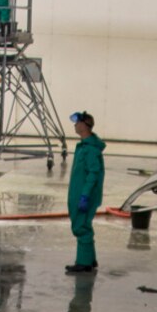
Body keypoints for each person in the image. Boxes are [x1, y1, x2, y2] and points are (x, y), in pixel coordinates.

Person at [65, 111, 105, 274]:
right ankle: (89, 259)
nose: (75, 125)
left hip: (84, 194)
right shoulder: (84, 146)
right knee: (83, 225)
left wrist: (85, 195)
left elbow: (93, 173)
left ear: (83, 126)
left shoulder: (90, 150)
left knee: (81, 227)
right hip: (79, 192)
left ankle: (84, 262)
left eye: (77, 122)